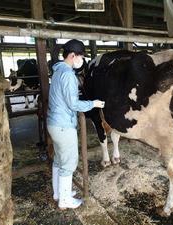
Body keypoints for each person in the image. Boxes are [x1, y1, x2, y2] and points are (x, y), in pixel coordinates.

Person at [47, 39, 105, 209]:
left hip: (55, 124)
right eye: (80, 56)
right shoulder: (68, 75)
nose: (82, 60)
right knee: (70, 162)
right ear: (72, 56)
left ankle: (59, 193)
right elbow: (73, 104)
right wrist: (92, 103)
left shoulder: (58, 71)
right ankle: (65, 200)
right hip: (64, 125)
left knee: (59, 160)